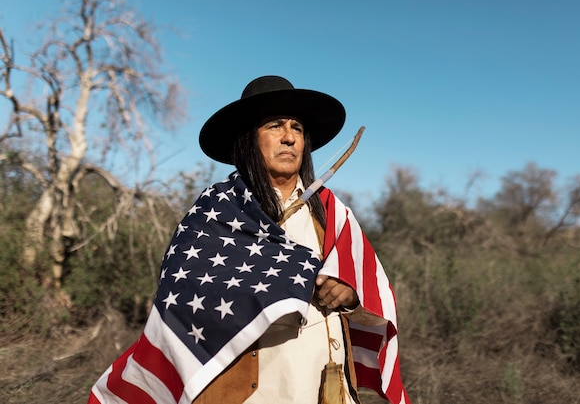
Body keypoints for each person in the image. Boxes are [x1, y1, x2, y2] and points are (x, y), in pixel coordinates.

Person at [88, 76, 410, 404]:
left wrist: (349, 294)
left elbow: (370, 291)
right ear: (248, 139)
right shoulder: (219, 208)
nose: (289, 138)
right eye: (274, 126)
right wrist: (282, 277)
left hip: (328, 390)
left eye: (296, 128)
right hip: (255, 392)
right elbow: (184, 295)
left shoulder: (330, 212)